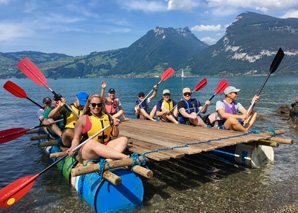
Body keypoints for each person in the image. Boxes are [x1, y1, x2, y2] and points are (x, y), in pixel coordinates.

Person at [66, 94, 129, 160]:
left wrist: (115, 126)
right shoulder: (83, 119)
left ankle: (109, 160)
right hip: (89, 150)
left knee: (124, 140)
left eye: (99, 105)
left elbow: (115, 135)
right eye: (94, 104)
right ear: (89, 105)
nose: (96, 107)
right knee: (91, 142)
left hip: (105, 146)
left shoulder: (107, 117)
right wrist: (72, 147)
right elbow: (76, 138)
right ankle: (120, 156)